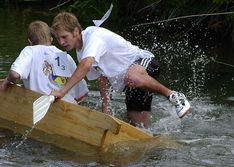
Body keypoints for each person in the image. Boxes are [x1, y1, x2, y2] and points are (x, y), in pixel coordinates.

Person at [50, 12, 191, 128]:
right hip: (131, 84)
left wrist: (62, 91)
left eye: (64, 37)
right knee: (141, 128)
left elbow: (86, 66)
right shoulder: (81, 53)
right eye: (58, 38)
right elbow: (103, 77)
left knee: (132, 77)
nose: (61, 42)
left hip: (144, 62)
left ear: (75, 31)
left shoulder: (93, 37)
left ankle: (174, 96)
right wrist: (107, 110)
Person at [0, 20, 89, 104]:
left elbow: (15, 74)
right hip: (69, 106)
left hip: (43, 105)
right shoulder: (66, 56)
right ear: (51, 40)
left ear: (29, 42)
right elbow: (82, 94)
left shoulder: (30, 50)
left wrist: (7, 81)